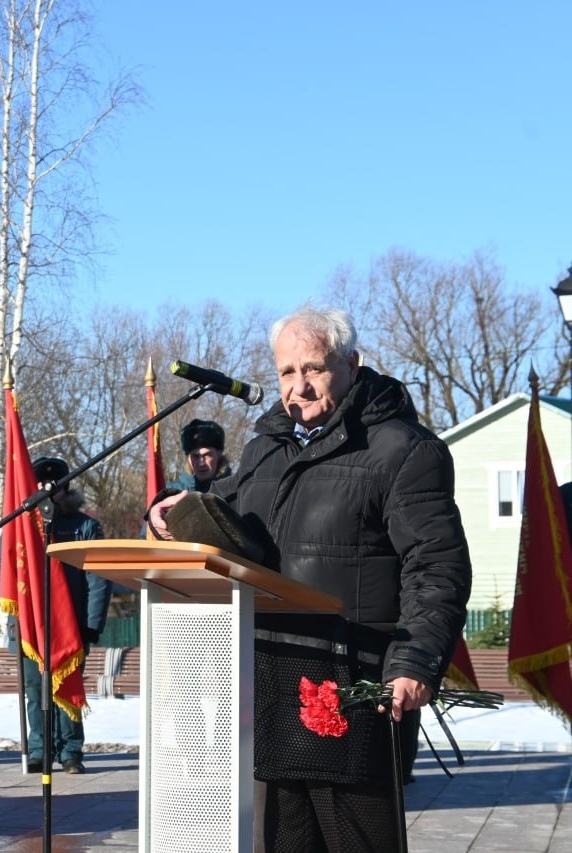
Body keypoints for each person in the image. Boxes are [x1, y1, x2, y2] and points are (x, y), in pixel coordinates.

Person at [147, 306, 471, 851]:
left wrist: (415, 661)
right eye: (286, 372)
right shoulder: (264, 449)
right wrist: (170, 509)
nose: (299, 386)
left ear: (351, 363)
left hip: (356, 687)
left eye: (313, 368)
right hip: (269, 682)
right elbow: (221, 510)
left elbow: (437, 565)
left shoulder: (403, 450)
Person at [0, 456, 111, 774]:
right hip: (30, 626)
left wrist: (91, 625)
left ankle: (71, 751)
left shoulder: (84, 526)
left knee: (67, 686)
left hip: (72, 626)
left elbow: (98, 578)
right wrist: (14, 604)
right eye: (39, 484)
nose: (44, 490)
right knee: (34, 691)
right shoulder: (18, 527)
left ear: (64, 488)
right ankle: (39, 749)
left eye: (51, 485)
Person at [170, 418, 231, 493]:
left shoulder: (236, 491)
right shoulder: (172, 493)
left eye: (207, 455)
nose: (201, 463)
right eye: (195, 456)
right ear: (188, 458)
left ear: (219, 454)